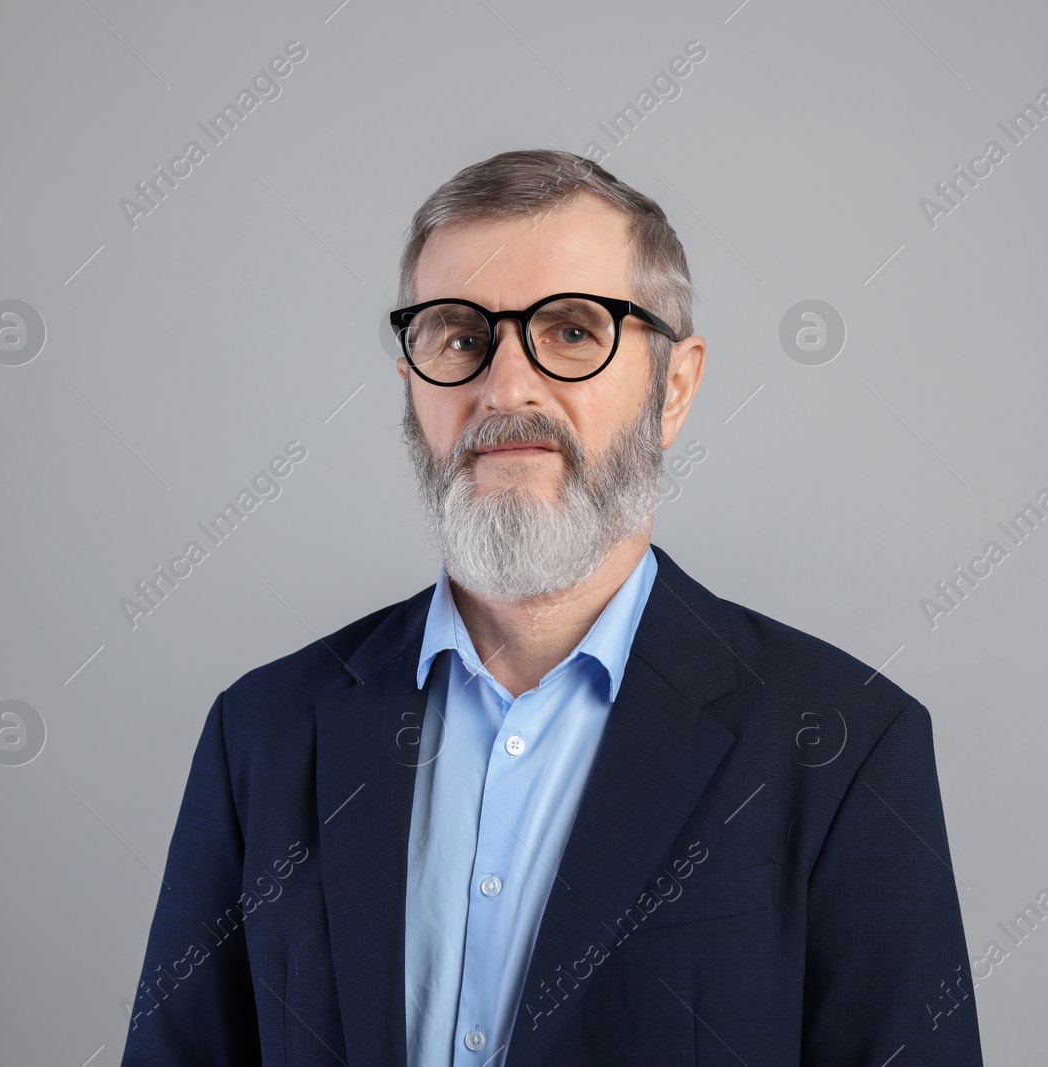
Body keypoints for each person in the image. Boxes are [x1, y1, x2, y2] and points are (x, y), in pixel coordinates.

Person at [121, 149, 982, 1066]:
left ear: (675, 387)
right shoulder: (262, 733)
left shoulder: (846, 743)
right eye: (459, 337)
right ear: (412, 384)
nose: (507, 387)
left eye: (572, 331)